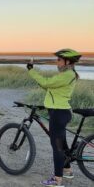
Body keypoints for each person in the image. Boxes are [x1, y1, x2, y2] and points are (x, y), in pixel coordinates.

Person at [27, 49, 82, 187]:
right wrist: (42, 83)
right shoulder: (66, 75)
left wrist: (31, 70)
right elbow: (50, 87)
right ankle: (68, 170)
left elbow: (47, 83)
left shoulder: (67, 74)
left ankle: (57, 180)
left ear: (67, 61)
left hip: (59, 113)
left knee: (57, 147)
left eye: (59, 60)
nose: (56, 62)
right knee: (61, 145)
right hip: (58, 112)